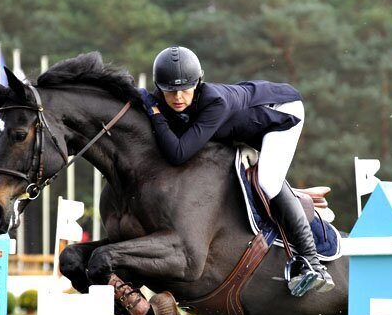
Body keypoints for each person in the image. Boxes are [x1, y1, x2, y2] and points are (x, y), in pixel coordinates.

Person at [138, 46, 334, 297]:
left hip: (283, 112)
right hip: (248, 124)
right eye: (170, 91)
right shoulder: (169, 97)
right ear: (160, 87)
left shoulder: (213, 102)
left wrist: (154, 113)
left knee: (268, 181)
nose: (178, 97)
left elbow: (178, 153)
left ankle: (312, 263)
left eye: (185, 89)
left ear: (197, 83)